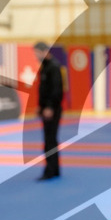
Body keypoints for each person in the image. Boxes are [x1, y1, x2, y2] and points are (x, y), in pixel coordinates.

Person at [34, 41, 63, 181]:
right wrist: (40, 105)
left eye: (37, 52)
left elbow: (56, 90)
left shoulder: (53, 67)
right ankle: (54, 169)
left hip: (52, 110)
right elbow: (43, 90)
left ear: (44, 51)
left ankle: (50, 171)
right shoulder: (45, 67)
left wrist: (50, 107)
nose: (36, 55)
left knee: (50, 140)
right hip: (46, 109)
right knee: (50, 139)